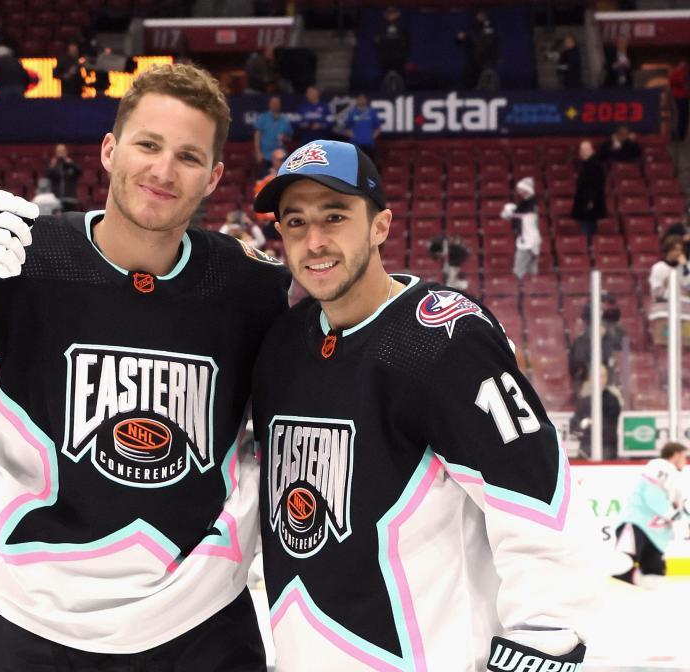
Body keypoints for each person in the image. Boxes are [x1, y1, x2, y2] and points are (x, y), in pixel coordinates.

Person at [0, 62, 290, 670]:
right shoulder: (14, 261)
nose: (162, 170)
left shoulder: (252, 288)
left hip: (202, 625)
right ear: (108, 150)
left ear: (213, 178)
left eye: (187, 156)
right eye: (148, 145)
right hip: (29, 624)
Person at [250, 139, 595, 671]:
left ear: (381, 225)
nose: (314, 241)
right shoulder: (284, 344)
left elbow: (534, 493)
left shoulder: (444, 338)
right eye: (295, 222)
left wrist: (543, 638)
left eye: (335, 216)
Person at [614, 443, 687, 586]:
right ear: (676, 454)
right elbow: (652, 494)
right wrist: (672, 515)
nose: (686, 460)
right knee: (620, 564)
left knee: (655, 574)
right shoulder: (661, 467)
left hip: (653, 533)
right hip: (637, 526)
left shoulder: (672, 476)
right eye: (684, 456)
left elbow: (677, 505)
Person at [569, 364, 622, 459]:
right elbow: (574, 425)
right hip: (586, 448)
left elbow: (608, 427)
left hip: (606, 448)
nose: (601, 379)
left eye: (603, 376)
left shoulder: (612, 400)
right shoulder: (584, 401)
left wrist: (589, 424)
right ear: (591, 378)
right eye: (598, 376)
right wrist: (583, 424)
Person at [648, 234, 690, 346]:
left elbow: (688, 289)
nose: (678, 253)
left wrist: (685, 268)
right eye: (675, 250)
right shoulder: (658, 268)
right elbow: (657, 293)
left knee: (686, 344)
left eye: (680, 250)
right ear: (668, 250)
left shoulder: (686, 268)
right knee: (664, 343)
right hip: (664, 312)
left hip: (685, 313)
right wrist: (667, 287)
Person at [500, 177, 541, 280]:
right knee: (530, 268)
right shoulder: (526, 202)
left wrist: (509, 212)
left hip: (528, 240)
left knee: (520, 269)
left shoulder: (531, 203)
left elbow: (521, 215)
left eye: (520, 189)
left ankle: (523, 287)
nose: (518, 191)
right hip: (529, 238)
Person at [572, 140, 606, 244]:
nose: (583, 152)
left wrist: (590, 200)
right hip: (584, 204)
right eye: (582, 150)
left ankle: (589, 247)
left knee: (588, 232)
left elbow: (596, 185)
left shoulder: (595, 165)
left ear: (592, 151)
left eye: (586, 149)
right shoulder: (585, 165)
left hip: (590, 206)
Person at [457, 10, 499, 89]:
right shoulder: (472, 26)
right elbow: (460, 39)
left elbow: (490, 39)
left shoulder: (489, 26)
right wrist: (462, 37)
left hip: (487, 60)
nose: (480, 16)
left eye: (482, 14)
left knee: (487, 79)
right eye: (479, 14)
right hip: (473, 59)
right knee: (471, 79)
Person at [254, 95, 292, 177]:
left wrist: (285, 138)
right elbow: (257, 135)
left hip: (280, 156)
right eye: (273, 103)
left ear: (280, 104)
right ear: (269, 104)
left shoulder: (285, 119)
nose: (275, 104)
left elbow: (289, 137)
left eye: (277, 103)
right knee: (266, 180)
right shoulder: (263, 117)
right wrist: (258, 152)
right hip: (266, 155)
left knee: (280, 179)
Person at [375, 6, 410, 91]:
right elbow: (376, 42)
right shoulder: (381, 27)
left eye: (393, 13)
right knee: (385, 80)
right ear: (386, 15)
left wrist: (403, 55)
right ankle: (383, 95)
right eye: (389, 13)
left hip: (399, 60)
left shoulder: (402, 27)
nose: (391, 15)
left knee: (401, 79)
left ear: (397, 14)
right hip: (385, 59)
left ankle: (402, 94)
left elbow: (407, 43)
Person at [342, 93, 382, 161]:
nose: (361, 100)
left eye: (363, 99)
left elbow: (377, 128)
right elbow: (346, 128)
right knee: (356, 163)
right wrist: (354, 137)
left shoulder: (372, 112)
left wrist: (370, 137)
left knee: (369, 162)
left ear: (366, 100)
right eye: (360, 99)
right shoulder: (352, 112)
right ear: (357, 100)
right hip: (356, 144)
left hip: (368, 144)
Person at [45, 143, 82, 211]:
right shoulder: (54, 165)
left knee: (69, 219)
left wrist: (71, 164)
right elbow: (47, 175)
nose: (61, 153)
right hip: (55, 199)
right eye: (59, 151)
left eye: (62, 151)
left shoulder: (71, 164)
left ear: (66, 152)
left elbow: (79, 172)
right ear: (56, 153)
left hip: (70, 198)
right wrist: (52, 165)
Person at [670, 58, 688, 142]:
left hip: (684, 96)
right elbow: (676, 81)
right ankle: (679, 135)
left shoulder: (684, 72)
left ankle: (682, 135)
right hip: (680, 97)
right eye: (682, 64)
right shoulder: (677, 73)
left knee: (684, 117)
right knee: (682, 116)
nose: (684, 66)